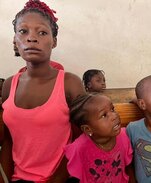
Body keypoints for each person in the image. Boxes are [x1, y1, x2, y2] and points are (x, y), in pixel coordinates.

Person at [0, 0, 85, 182]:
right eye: (23, 31)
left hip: (62, 178)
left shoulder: (69, 83)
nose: (32, 38)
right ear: (15, 39)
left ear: (54, 42)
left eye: (42, 32)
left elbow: (81, 141)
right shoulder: (8, 85)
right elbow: (8, 141)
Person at [64, 93, 133, 183]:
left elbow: (128, 166)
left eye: (112, 109)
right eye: (104, 115)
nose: (114, 116)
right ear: (88, 129)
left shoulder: (123, 136)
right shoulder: (78, 149)